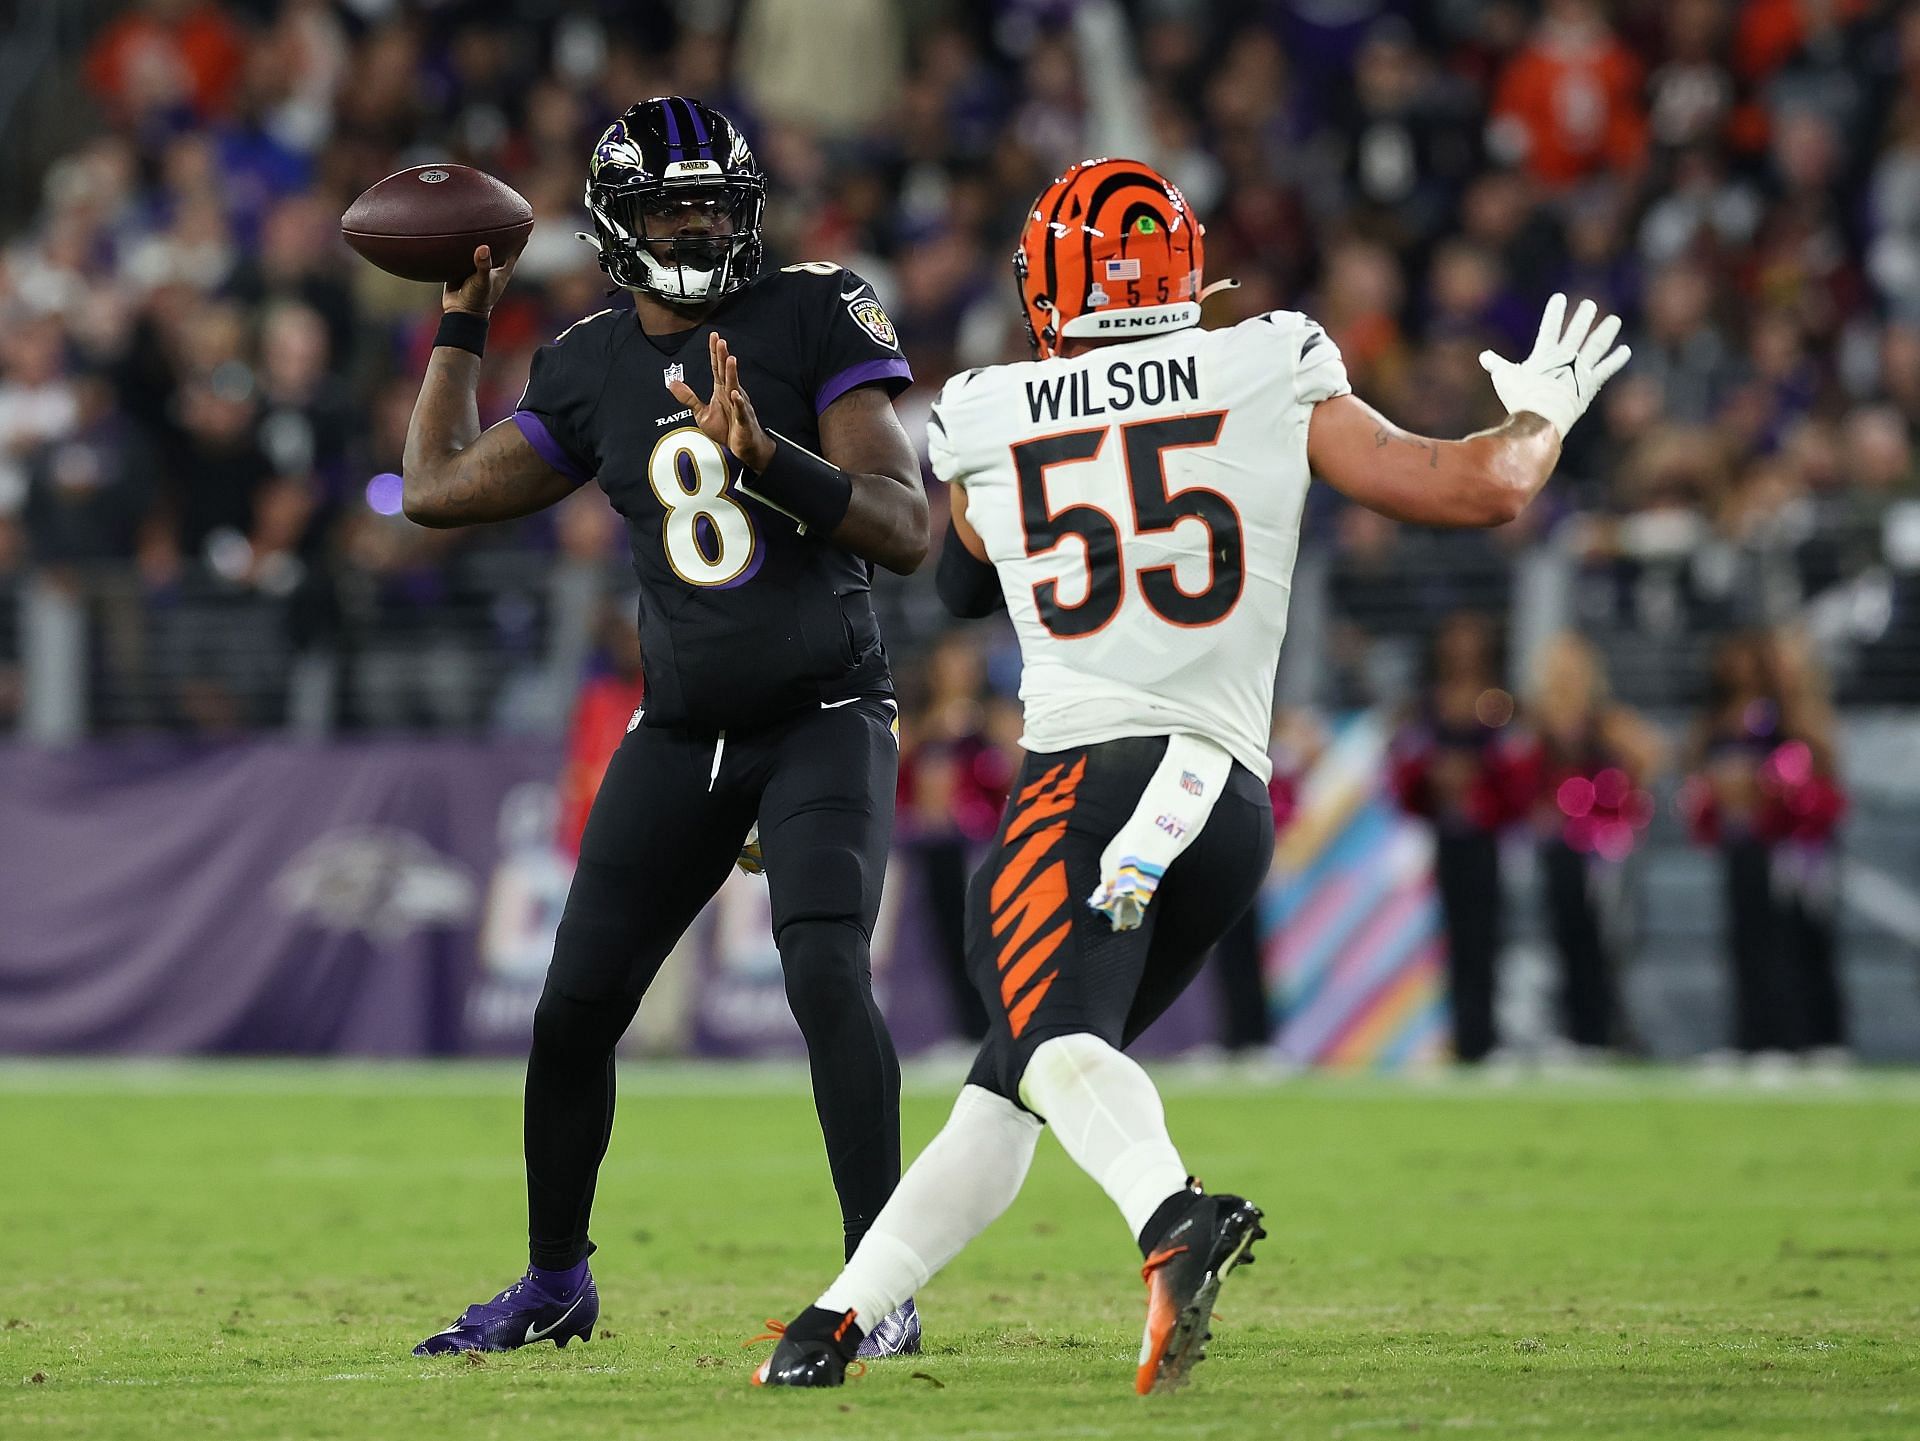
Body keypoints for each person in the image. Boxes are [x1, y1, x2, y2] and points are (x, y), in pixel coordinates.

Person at [750, 157, 1628, 1394]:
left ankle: (1173, 1215)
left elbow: (955, 582)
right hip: (1222, 800)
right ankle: (835, 1323)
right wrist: (1541, 414)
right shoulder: (1269, 357)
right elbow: (1485, 485)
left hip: (1086, 782)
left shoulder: (995, 406)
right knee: (1021, 1072)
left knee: (1048, 1038)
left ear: (1049, 288)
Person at [403, 98, 928, 1359]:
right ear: (618, 226)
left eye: (712, 203)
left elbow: (905, 526)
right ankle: (554, 1280)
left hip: (822, 707)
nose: (695, 225)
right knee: (572, 1009)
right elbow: (431, 489)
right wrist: (460, 330)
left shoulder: (814, 307)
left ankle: (881, 1282)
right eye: (667, 208)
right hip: (686, 726)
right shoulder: (588, 364)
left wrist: (771, 460)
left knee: (820, 969)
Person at [1512, 632, 1665, 1056]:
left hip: (1605, 854)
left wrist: (1623, 797)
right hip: (1559, 850)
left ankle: (1605, 1030)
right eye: (1558, 672)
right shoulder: (1538, 723)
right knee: (1567, 938)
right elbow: (1519, 778)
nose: (1565, 680)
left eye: (1572, 671)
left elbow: (1653, 755)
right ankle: (1578, 1030)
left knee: (1607, 943)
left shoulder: (1606, 721)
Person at [1388, 612, 1529, 1063]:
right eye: (1454, 639)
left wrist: (1478, 779)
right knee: (1451, 938)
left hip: (1486, 834)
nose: (1462, 649)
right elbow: (1405, 765)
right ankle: (1461, 1037)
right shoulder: (1429, 704)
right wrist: (1434, 776)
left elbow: (1517, 768)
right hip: (1444, 832)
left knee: (1486, 935)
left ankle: (1486, 1037)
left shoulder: (1500, 701)